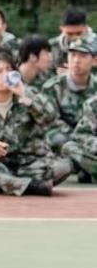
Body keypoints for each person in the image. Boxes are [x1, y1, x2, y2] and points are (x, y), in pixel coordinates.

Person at [0, 50, 69, 195]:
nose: (5, 75)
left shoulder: (29, 95)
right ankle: (28, 186)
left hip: (28, 164)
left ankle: (2, 184)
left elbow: (50, 118)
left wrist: (25, 98)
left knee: (64, 166)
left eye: (9, 70)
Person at [41, 33, 97, 179]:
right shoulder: (52, 87)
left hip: (89, 140)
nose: (76, 60)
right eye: (73, 55)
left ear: (94, 60)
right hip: (64, 140)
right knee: (63, 143)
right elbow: (50, 121)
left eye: (83, 56)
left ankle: (85, 168)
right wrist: (75, 137)